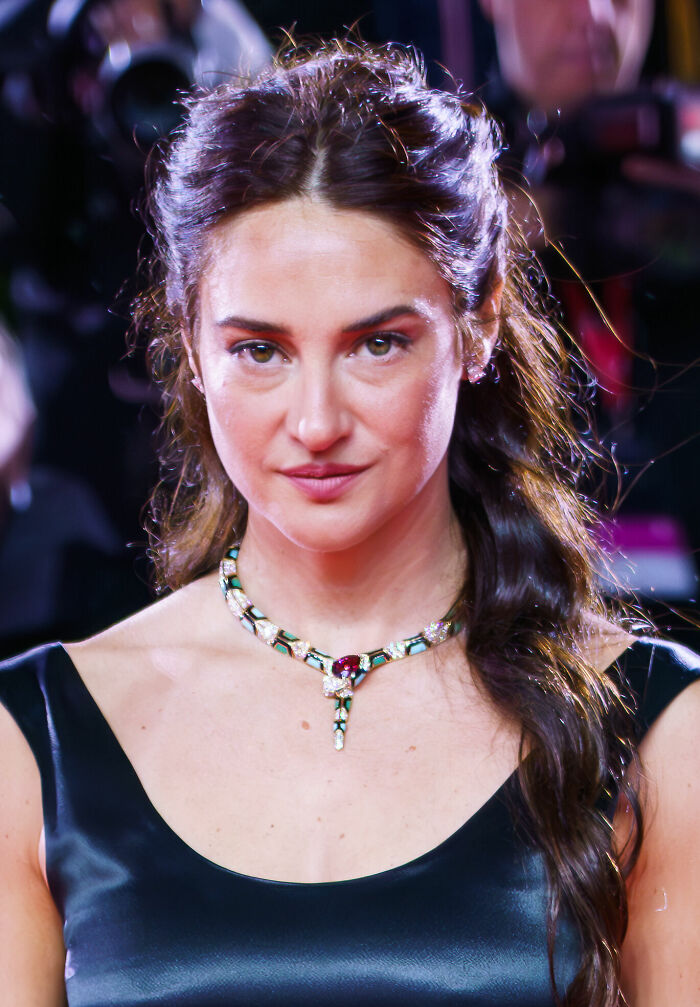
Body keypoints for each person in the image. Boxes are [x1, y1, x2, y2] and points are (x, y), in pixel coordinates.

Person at [0, 39, 698, 1007]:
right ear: (191, 344)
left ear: (480, 323)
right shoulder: (35, 740)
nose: (317, 421)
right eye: (260, 350)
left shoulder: (657, 729)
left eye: (378, 343)